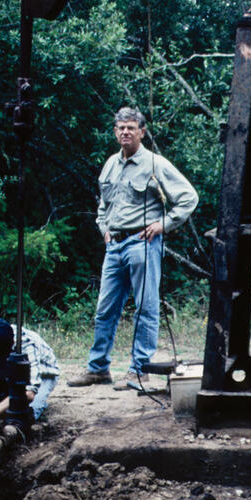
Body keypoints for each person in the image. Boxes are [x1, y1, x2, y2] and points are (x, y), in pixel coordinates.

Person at [67, 106, 198, 391]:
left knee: (145, 308)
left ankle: (139, 371)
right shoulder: (111, 164)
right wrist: (104, 229)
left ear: (142, 131)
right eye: (121, 128)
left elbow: (188, 197)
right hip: (114, 245)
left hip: (143, 244)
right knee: (105, 309)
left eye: (131, 128)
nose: (125, 132)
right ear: (115, 132)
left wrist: (164, 224)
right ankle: (98, 368)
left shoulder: (155, 164)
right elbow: (104, 205)